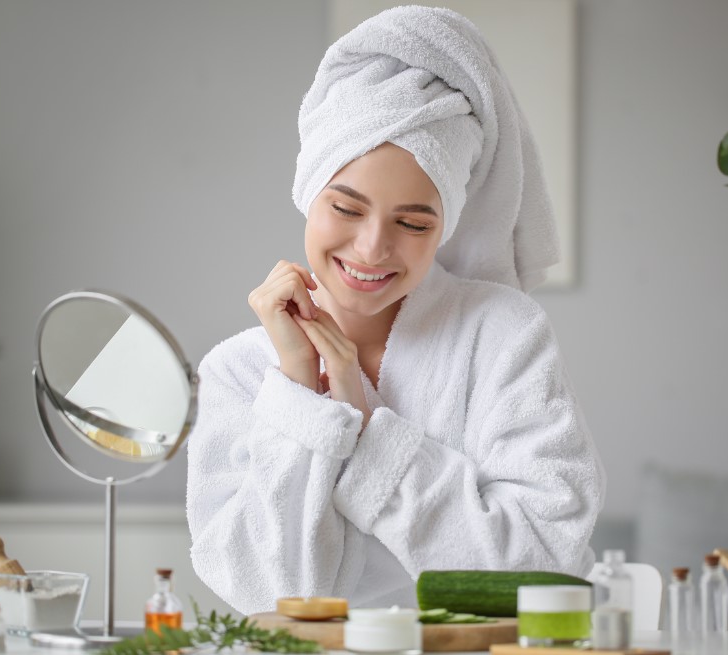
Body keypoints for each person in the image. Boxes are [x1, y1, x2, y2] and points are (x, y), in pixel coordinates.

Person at [186, 5, 605, 615]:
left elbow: (545, 558)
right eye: (347, 208)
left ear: (446, 226)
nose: (372, 248)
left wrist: (363, 430)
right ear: (309, 191)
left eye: (413, 221)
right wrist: (300, 395)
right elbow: (264, 591)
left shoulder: (501, 336)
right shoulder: (237, 373)